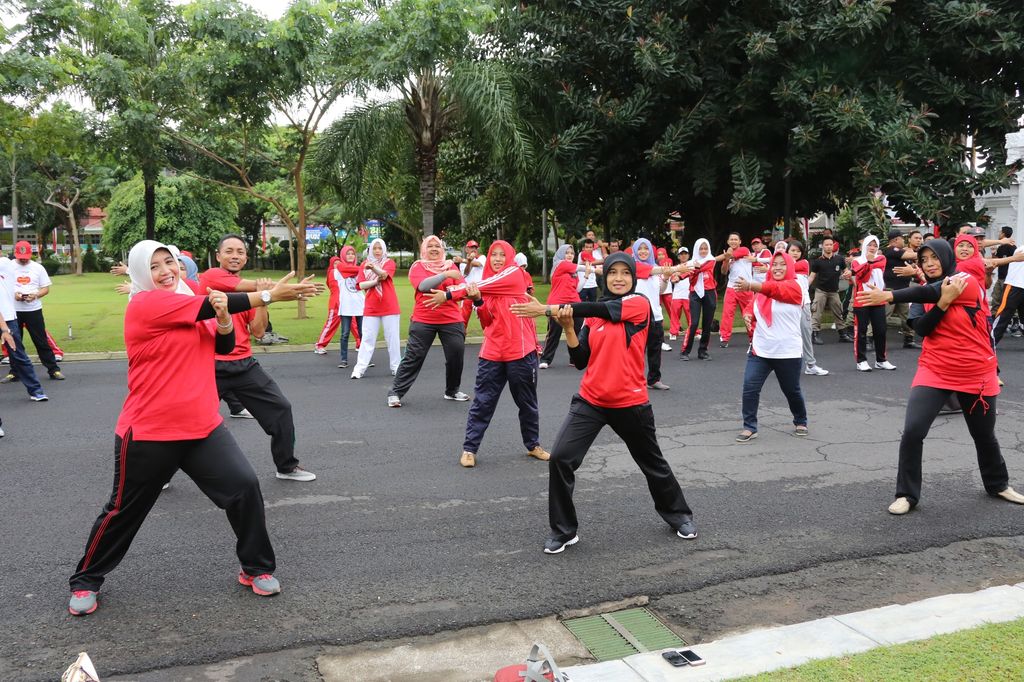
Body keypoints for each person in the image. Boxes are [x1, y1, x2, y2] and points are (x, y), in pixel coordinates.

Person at [67, 239, 319, 617]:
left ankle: (256, 568)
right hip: (150, 431)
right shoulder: (146, 304)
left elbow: (223, 344)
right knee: (123, 511)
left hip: (202, 427)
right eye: (154, 266)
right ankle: (86, 580)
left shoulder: (185, 296)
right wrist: (270, 295)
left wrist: (220, 321)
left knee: (244, 488)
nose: (166, 271)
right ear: (140, 273)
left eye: (170, 262)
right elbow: (219, 303)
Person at [510, 252, 697, 554]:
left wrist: (546, 308)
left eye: (625, 272)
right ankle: (564, 531)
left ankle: (679, 515)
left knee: (653, 465)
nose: (619, 278)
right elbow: (580, 359)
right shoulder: (594, 317)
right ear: (604, 277)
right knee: (561, 458)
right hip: (591, 401)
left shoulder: (638, 305)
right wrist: (569, 328)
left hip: (630, 403)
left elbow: (602, 307)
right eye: (613, 273)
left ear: (633, 278)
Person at [854, 239, 1024, 514]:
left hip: (976, 371)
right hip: (935, 369)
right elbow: (922, 329)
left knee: (984, 435)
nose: (929, 263)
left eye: (934, 257)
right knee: (913, 431)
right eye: (924, 259)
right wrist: (943, 305)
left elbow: (938, 290)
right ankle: (907, 495)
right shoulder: (922, 294)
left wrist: (889, 296)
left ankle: (999, 484)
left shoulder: (965, 279)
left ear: (946, 258)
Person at [199, 235, 318, 482]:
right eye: (229, 251)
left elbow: (259, 331)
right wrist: (280, 289)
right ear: (218, 256)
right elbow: (251, 288)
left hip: (244, 366)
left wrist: (266, 298)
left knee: (281, 410)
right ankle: (160, 473)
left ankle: (286, 466)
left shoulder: (257, 292)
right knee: (189, 421)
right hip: (209, 365)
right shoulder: (211, 276)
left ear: (246, 257)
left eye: (240, 252)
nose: (235, 256)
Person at [448, 240, 548, 467]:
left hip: (521, 352)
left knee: (527, 402)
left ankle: (533, 445)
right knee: (482, 402)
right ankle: (469, 449)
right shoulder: (485, 287)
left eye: (503, 255)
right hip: (493, 351)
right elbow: (486, 323)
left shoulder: (516, 275)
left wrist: (448, 294)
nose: (498, 259)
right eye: (494, 254)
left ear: (510, 257)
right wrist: (478, 301)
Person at [733, 251, 808, 442]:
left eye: (783, 264)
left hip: (787, 351)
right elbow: (755, 302)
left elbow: (776, 290)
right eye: (775, 264)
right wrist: (749, 314)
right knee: (750, 387)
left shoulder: (797, 286)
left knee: (792, 390)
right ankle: (750, 427)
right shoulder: (763, 290)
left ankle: (801, 419)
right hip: (761, 349)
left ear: (790, 267)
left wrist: (750, 285)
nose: (778, 268)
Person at [387, 235, 469, 407]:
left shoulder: (451, 264)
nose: (434, 249)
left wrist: (447, 294)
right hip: (424, 319)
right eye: (430, 246)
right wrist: (445, 275)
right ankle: (395, 392)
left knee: (456, 352)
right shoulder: (419, 266)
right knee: (414, 356)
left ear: (442, 249)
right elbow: (423, 286)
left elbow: (463, 289)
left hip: (451, 318)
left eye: (437, 246)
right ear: (424, 249)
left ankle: (452, 391)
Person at [632, 238, 690, 389]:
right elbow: (650, 271)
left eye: (646, 248)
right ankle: (634, 380)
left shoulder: (657, 268)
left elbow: (660, 290)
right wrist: (677, 268)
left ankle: (653, 380)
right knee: (636, 352)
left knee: (655, 350)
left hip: (655, 315)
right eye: (640, 248)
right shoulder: (632, 267)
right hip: (637, 317)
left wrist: (665, 277)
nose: (643, 251)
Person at [8, 241, 64, 380]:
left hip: (33, 309)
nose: (23, 259)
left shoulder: (38, 268)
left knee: (41, 341)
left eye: (25, 256)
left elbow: (46, 288)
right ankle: (14, 372)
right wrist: (14, 294)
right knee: (15, 342)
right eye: (20, 256)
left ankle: (53, 369)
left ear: (30, 254)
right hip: (13, 311)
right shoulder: (7, 267)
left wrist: (36, 295)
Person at [0, 251, 48, 402]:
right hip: (5, 320)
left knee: (19, 354)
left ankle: (36, 390)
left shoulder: (5, 264)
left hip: (7, 318)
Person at [352, 238, 402, 378]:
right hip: (371, 306)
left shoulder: (389, 263)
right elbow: (360, 285)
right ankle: (359, 369)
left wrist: (373, 268)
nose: (377, 251)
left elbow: (385, 275)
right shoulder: (363, 265)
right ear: (370, 250)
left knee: (392, 338)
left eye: (380, 248)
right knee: (367, 338)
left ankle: (396, 367)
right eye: (375, 248)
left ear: (384, 250)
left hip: (389, 306)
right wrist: (374, 281)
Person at [851, 235, 896, 371]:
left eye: (875, 245)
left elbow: (877, 265)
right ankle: (861, 361)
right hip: (862, 299)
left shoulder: (881, 258)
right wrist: (869, 264)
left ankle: (881, 360)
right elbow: (862, 278)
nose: (872, 248)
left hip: (878, 298)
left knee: (881, 331)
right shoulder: (856, 261)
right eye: (870, 245)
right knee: (862, 332)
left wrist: (868, 265)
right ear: (864, 246)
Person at [538, 244, 586, 369]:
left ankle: (575, 359)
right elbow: (580, 267)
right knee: (554, 332)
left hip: (575, 303)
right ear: (561, 254)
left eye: (572, 253)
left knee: (577, 332)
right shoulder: (559, 265)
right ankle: (545, 359)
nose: (570, 255)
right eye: (567, 253)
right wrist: (594, 269)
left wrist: (586, 275)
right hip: (557, 303)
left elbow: (578, 289)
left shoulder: (574, 272)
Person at [788, 240, 828, 376]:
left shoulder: (803, 263)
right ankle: (782, 365)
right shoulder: (782, 265)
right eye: (792, 250)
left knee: (806, 332)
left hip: (803, 303)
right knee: (786, 335)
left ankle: (810, 364)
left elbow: (789, 268)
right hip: (787, 304)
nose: (795, 253)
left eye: (798, 251)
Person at [679, 238, 722, 361]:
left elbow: (698, 268)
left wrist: (686, 273)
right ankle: (685, 351)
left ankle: (703, 351)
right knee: (694, 323)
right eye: (701, 248)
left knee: (707, 324)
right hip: (695, 293)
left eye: (705, 248)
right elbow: (688, 271)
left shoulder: (711, 260)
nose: (703, 251)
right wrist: (682, 275)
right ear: (696, 249)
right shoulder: (691, 262)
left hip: (709, 292)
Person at [808, 236, 851, 343]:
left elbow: (847, 272)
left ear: (833, 246)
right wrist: (804, 288)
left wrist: (847, 274)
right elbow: (812, 276)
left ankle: (843, 335)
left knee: (839, 312)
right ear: (823, 246)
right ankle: (815, 334)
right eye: (826, 245)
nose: (828, 247)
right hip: (821, 291)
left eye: (830, 245)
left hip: (834, 291)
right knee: (817, 313)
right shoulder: (817, 261)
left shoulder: (839, 259)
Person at [882, 230, 919, 349]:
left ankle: (909, 339)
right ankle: (870, 338)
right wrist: (925, 252)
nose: (904, 241)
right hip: (890, 289)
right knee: (883, 315)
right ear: (895, 240)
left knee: (907, 316)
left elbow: (910, 262)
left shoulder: (899, 253)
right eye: (902, 238)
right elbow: (912, 255)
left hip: (903, 289)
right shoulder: (891, 250)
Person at [718, 233, 755, 348]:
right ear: (728, 242)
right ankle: (724, 338)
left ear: (740, 241)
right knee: (727, 313)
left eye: (735, 239)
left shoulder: (744, 250)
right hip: (732, 287)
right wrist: (725, 260)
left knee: (749, 313)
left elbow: (730, 255)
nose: (733, 241)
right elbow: (724, 272)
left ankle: (753, 337)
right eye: (731, 240)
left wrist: (711, 260)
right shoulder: (728, 256)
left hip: (746, 287)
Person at [334, 245, 364, 369]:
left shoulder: (359, 269)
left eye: (353, 253)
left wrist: (361, 269)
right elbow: (345, 270)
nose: (351, 256)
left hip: (360, 305)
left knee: (363, 334)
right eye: (348, 253)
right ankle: (344, 359)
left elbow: (363, 282)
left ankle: (365, 359)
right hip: (346, 306)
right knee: (345, 333)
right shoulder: (339, 269)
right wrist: (362, 268)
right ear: (343, 255)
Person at [313, 255, 343, 355]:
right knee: (331, 324)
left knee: (354, 323)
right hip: (335, 303)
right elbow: (335, 288)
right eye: (335, 263)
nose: (338, 265)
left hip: (346, 303)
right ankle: (319, 345)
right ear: (332, 265)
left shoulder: (342, 273)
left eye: (339, 263)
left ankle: (359, 344)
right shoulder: (332, 273)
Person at [458, 240, 486, 328]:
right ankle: (460, 338)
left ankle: (488, 338)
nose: (474, 250)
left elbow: (478, 264)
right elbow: (466, 273)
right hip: (468, 292)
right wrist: (468, 261)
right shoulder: (464, 263)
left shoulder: (482, 258)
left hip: (480, 292)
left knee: (484, 317)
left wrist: (464, 260)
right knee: (463, 319)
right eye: (471, 248)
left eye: (475, 248)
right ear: (466, 249)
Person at [667, 246, 691, 341]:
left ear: (688, 255)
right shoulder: (675, 268)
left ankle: (695, 331)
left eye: (685, 254)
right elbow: (672, 280)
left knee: (691, 315)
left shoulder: (692, 266)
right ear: (678, 256)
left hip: (689, 294)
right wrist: (676, 277)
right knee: (675, 315)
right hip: (677, 295)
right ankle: (673, 332)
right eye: (681, 254)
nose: (684, 256)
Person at [578, 238, 604, 302]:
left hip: (593, 285)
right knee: (582, 307)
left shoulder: (593, 256)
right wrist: (606, 260)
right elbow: (596, 262)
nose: (589, 249)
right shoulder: (582, 254)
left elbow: (597, 265)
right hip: (583, 286)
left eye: (590, 247)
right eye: (587, 247)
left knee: (593, 307)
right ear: (583, 248)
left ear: (593, 248)